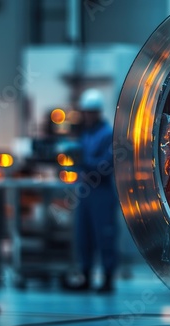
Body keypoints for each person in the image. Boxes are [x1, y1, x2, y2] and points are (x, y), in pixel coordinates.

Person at [66, 88, 119, 293]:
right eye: (86, 112)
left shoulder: (107, 135)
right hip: (86, 192)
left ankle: (107, 278)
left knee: (104, 235)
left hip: (102, 194)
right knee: (84, 235)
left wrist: (85, 164)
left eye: (91, 112)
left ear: (98, 112)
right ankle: (85, 275)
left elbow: (106, 164)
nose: (88, 116)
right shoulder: (86, 134)